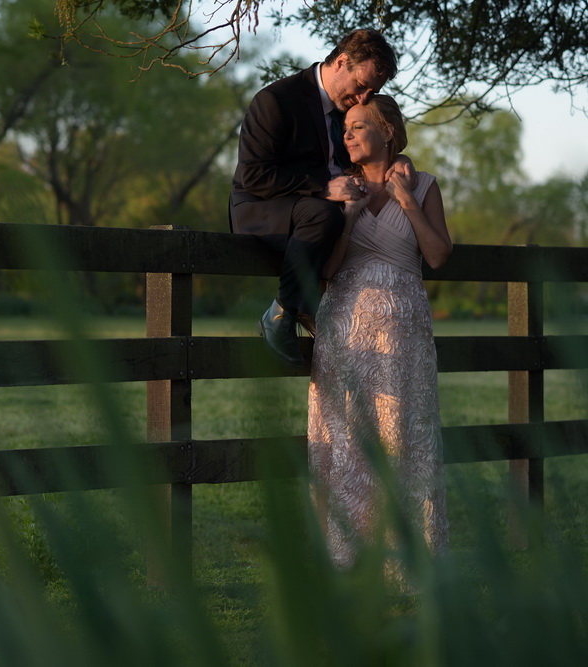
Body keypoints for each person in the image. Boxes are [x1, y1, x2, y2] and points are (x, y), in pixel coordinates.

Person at [307, 94, 452, 569]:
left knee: (401, 439)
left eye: (357, 126)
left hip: (401, 335)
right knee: (344, 437)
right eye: (344, 128)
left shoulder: (425, 185)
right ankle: (344, 556)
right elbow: (326, 269)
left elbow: (437, 256)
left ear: (387, 131)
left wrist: (407, 202)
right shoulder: (338, 189)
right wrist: (345, 218)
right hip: (344, 331)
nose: (346, 135)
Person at [229, 29, 405, 368]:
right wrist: (324, 187)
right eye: (361, 86)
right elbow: (254, 177)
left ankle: (365, 341)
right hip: (262, 208)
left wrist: (400, 161)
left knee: (373, 223)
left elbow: (384, 135)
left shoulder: (352, 106)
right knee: (325, 215)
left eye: (374, 91)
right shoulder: (277, 100)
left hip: (323, 213)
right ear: (341, 62)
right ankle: (282, 312)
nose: (365, 98)